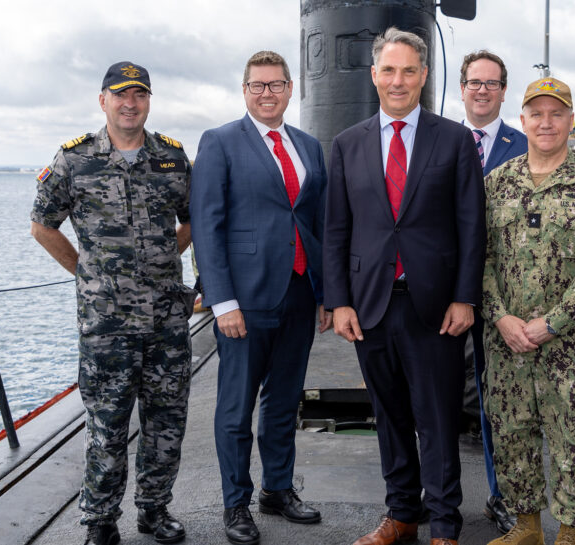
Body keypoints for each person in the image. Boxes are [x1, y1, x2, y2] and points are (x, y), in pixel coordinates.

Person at [324, 27, 485, 545]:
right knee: (389, 418)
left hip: (434, 305)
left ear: (424, 76)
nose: (398, 80)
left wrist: (465, 297)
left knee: (437, 419)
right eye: (388, 70)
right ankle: (402, 516)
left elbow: (470, 225)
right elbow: (336, 230)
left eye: (409, 70)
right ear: (374, 75)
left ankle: (444, 525)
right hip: (370, 305)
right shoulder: (348, 145)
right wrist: (339, 302)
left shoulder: (454, 140)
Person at [30, 61, 194, 545]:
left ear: (148, 101)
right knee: (107, 425)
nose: (130, 103)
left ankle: (154, 511)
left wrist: (165, 258)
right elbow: (42, 225)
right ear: (103, 100)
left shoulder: (173, 158)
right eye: (120, 94)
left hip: (166, 319)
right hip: (106, 326)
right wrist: (87, 271)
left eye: (139, 94)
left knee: (167, 423)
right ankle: (100, 521)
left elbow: (194, 220)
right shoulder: (74, 160)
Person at [191, 50, 331, 545]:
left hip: (298, 292)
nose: (267, 93)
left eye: (276, 85)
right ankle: (236, 503)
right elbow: (207, 226)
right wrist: (222, 301)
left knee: (283, 401)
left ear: (291, 89)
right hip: (245, 301)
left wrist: (325, 294)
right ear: (245, 90)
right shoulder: (220, 142)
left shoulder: (310, 147)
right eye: (258, 86)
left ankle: (277, 489)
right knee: (236, 407)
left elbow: (318, 224)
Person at [482, 77, 575, 545]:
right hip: (507, 344)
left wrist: (552, 323)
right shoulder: (496, 185)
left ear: (570, 119)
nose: (546, 122)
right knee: (512, 435)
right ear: (522, 120)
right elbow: (478, 258)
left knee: (574, 442)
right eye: (537, 113)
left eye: (556, 113)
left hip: (572, 346)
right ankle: (526, 529)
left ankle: (568, 534)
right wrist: (500, 316)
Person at [458, 48, 527, 535]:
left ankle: (503, 496)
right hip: (446, 294)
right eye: (474, 82)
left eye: (491, 83)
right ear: (462, 88)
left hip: (504, 296)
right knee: (434, 396)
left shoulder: (525, 146)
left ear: (503, 91)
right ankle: (431, 492)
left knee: (501, 402)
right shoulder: (436, 142)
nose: (482, 91)